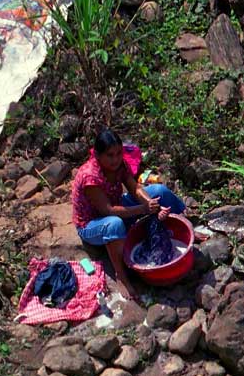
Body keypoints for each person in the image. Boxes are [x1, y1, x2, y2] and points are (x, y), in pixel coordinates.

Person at [71, 129, 186, 301]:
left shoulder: (119, 165)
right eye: (110, 155)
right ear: (97, 155)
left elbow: (134, 188)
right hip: (91, 224)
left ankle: (183, 224)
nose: (115, 159)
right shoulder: (90, 177)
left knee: (159, 190)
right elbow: (107, 210)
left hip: (117, 204)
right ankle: (121, 275)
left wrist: (149, 202)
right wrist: (143, 209)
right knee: (114, 224)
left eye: (118, 153)